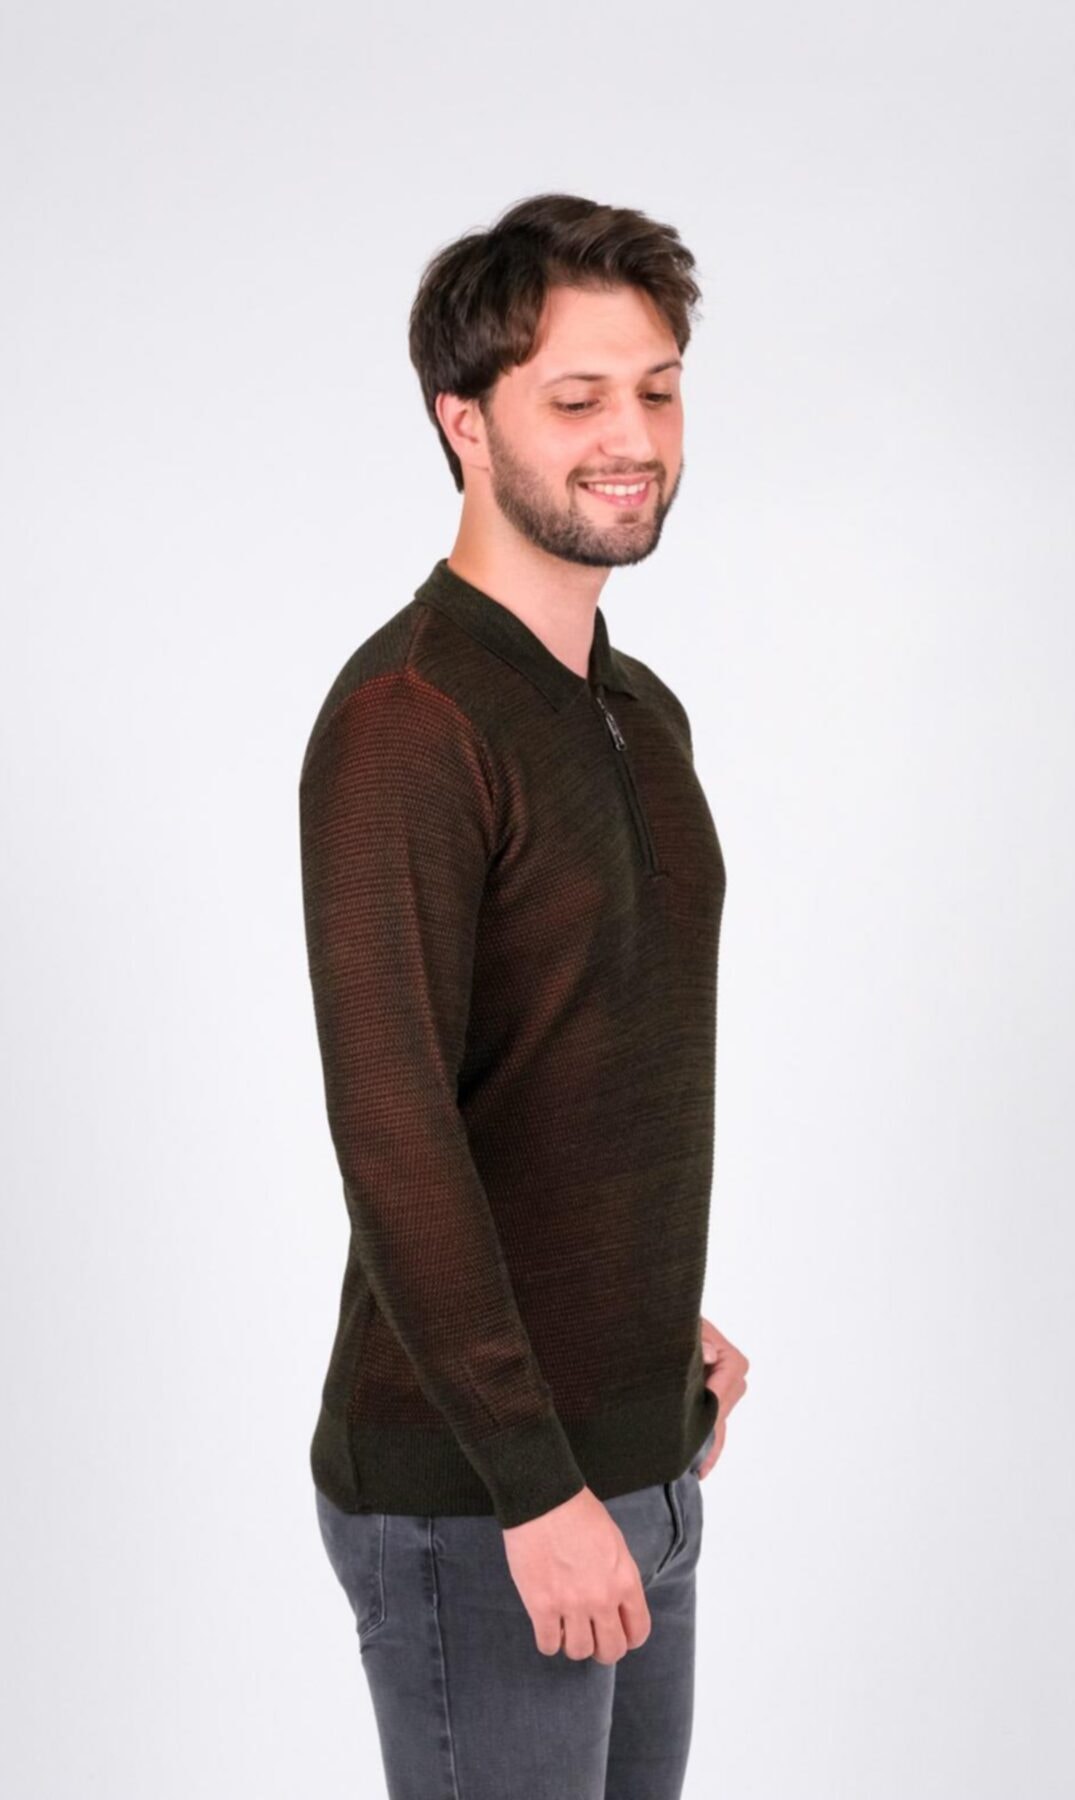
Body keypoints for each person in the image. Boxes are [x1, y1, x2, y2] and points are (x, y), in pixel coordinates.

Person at [299, 191, 749, 1800]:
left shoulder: (637, 707)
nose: (633, 438)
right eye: (577, 399)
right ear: (464, 422)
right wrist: (529, 1483)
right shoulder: (412, 720)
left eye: (658, 390)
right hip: (484, 1499)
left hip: (635, 1461)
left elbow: (571, 1058)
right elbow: (397, 1128)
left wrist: (648, 1324)